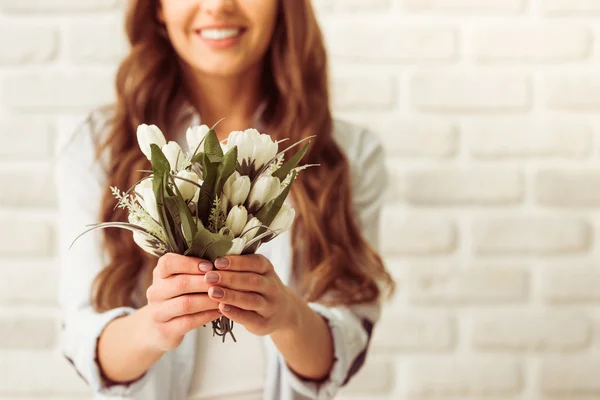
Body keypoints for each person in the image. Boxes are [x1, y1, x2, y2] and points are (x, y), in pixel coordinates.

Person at [55, 0, 395, 399]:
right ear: (158, 8)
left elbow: (341, 352)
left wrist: (286, 315)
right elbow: (86, 343)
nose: (218, 6)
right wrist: (157, 325)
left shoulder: (348, 155)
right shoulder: (99, 147)